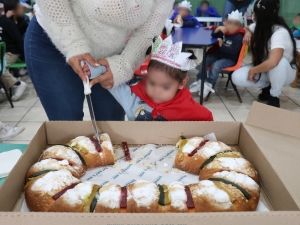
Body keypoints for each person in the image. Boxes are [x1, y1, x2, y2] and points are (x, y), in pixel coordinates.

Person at [24, 0, 174, 121]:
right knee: (66, 125)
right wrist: (73, 44)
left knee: (112, 125)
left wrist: (124, 65)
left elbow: (149, 30)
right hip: (54, 38)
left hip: (113, 53)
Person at [83, 35, 213, 121]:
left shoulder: (188, 108)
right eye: (152, 83)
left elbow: (207, 119)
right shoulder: (133, 98)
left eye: (165, 87)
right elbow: (114, 85)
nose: (156, 90)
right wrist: (94, 68)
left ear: (182, 83)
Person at [232, 0, 298, 108]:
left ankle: (274, 96)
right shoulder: (261, 25)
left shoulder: (280, 32)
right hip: (267, 69)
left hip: (285, 71)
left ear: (261, 15)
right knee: (236, 77)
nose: (253, 16)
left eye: (255, 13)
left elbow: (273, 62)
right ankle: (269, 85)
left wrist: (253, 70)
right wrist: (248, 32)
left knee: (279, 62)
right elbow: (246, 28)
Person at [190, 10, 245, 97]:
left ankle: (209, 84)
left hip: (230, 59)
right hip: (219, 55)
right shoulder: (225, 32)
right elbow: (213, 35)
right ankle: (200, 81)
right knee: (206, 61)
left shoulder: (239, 37)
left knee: (216, 65)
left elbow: (233, 51)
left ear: (241, 26)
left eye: (236, 24)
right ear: (226, 24)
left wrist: (222, 46)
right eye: (230, 23)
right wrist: (218, 29)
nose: (232, 26)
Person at [0, 0, 27, 102]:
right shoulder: (6, 20)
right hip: (2, 53)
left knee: (0, 66)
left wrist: (24, 58)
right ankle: (4, 89)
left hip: (11, 52)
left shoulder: (8, 22)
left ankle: (17, 84)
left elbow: (18, 40)